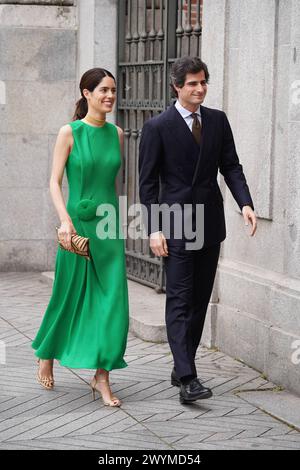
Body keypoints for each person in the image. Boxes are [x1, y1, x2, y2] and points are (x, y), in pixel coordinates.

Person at [139, 56, 257, 404]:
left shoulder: (218, 121)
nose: (200, 88)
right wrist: (154, 229)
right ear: (176, 86)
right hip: (174, 223)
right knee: (179, 298)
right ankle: (188, 378)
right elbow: (147, 185)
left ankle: (181, 363)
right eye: (192, 83)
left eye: (203, 81)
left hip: (209, 223)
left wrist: (245, 203)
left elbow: (230, 166)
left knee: (199, 300)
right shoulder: (157, 127)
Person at [32, 68, 129, 407]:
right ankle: (47, 351)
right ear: (86, 93)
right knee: (68, 295)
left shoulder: (117, 134)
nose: (110, 96)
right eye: (103, 90)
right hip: (76, 226)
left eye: (113, 90)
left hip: (108, 227)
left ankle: (102, 376)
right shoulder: (69, 132)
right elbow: (53, 182)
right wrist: (65, 222)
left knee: (113, 301)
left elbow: (115, 185)